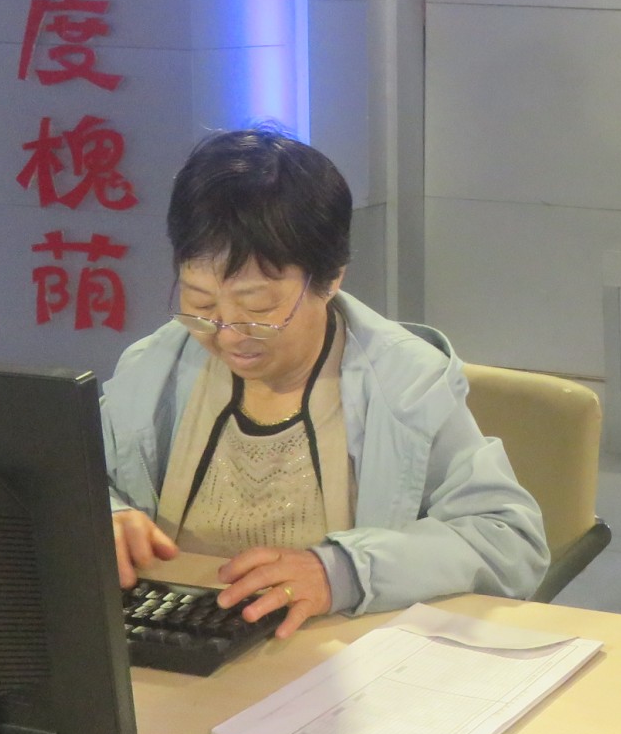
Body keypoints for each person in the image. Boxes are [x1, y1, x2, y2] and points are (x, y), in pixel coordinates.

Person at [102, 128, 549, 636]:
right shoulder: (155, 369)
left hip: (337, 652)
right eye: (201, 303)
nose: (227, 335)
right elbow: (75, 482)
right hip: (176, 638)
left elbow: (507, 539)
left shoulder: (406, 386)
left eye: (258, 307)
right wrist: (105, 516)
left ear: (331, 278)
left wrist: (344, 572)